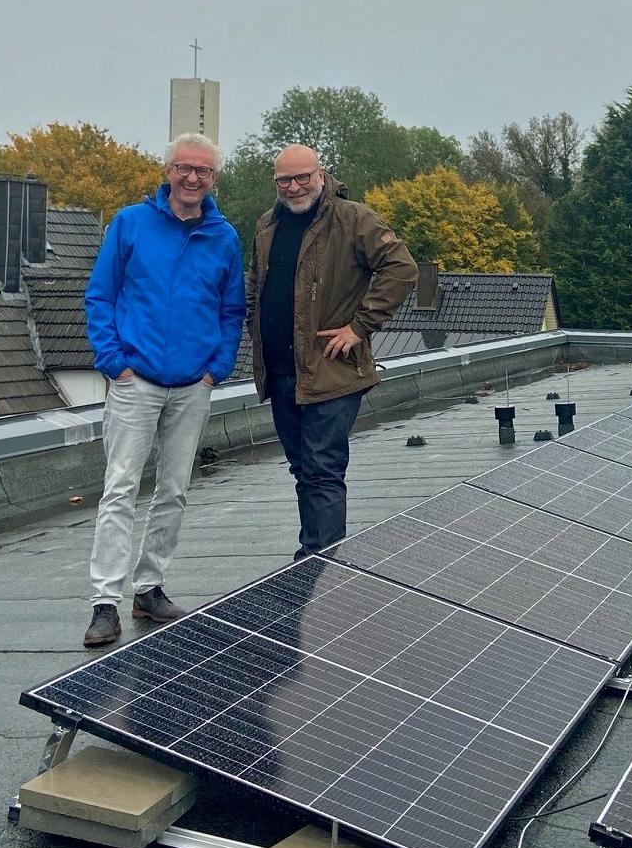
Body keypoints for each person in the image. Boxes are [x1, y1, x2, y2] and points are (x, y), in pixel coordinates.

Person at [81, 133, 246, 648]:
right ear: (168, 170)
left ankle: (149, 588)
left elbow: (232, 309)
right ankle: (105, 601)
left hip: (193, 383)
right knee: (121, 488)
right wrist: (113, 362)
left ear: (214, 178)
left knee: (174, 490)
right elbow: (100, 295)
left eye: (203, 171)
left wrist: (216, 367)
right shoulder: (131, 223)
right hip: (136, 381)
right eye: (184, 168)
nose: (193, 178)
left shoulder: (224, 237)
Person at [249, 143, 417, 560]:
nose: (294, 186)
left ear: (321, 175)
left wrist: (360, 327)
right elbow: (258, 285)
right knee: (303, 470)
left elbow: (402, 268)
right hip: (282, 370)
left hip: (332, 368)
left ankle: (319, 564)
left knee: (322, 469)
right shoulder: (267, 225)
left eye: (302, 177)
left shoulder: (353, 219)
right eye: (284, 179)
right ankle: (312, 556)